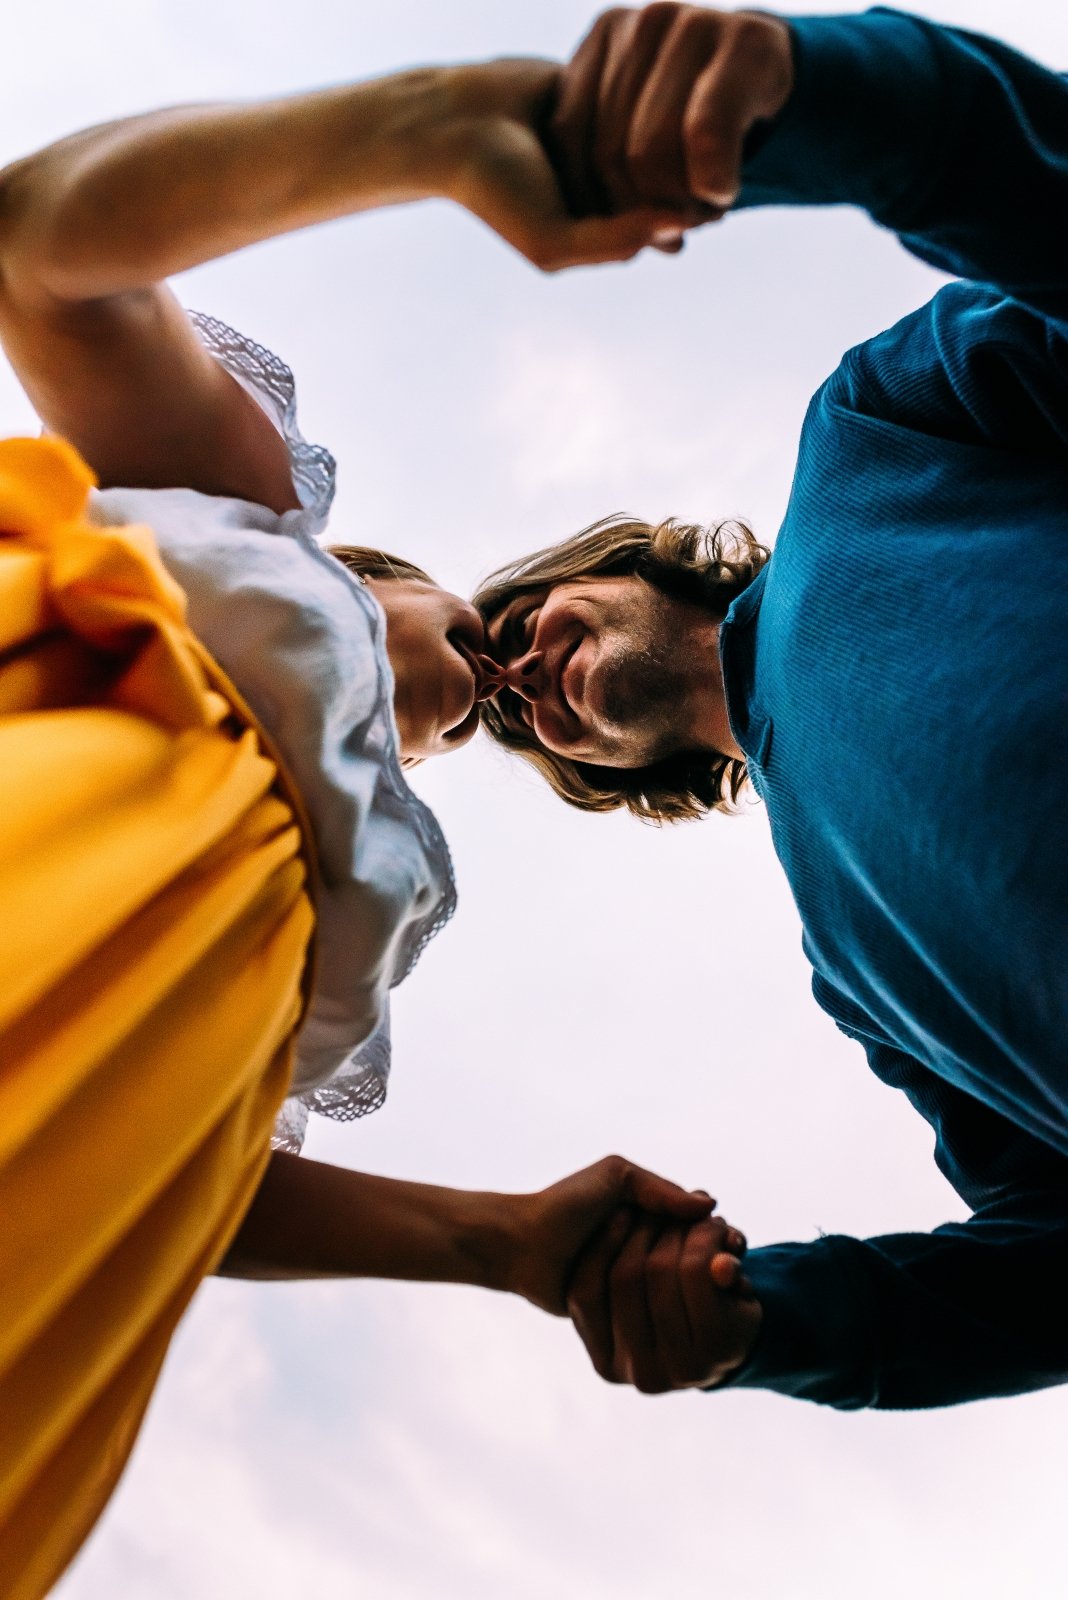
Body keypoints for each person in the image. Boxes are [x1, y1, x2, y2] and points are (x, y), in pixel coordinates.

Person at [0, 59, 743, 1599]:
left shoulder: (342, 942)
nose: (504, 683)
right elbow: (38, 254)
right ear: (384, 570)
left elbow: (206, 1179)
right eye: (490, 623)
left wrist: (505, 1242)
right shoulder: (250, 531)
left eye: (492, 727)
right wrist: (422, 138)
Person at [476, 5, 1068, 1408]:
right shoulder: (858, 983)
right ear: (607, 778)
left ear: (614, 566)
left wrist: (821, 95)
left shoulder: (866, 434)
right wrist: (767, 1325)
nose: (514, 678)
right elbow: (1045, 1265)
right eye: (509, 714)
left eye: (509, 630)